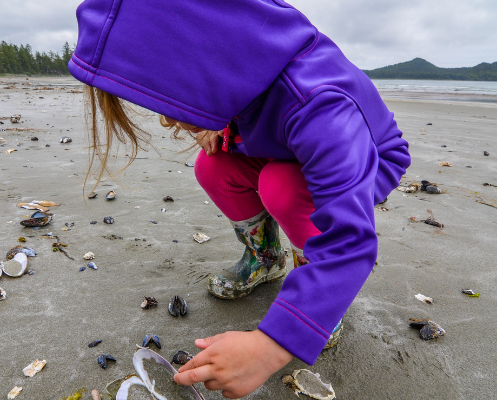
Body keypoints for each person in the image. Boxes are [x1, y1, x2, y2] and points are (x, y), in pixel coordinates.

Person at [69, 1, 410, 398]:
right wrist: (224, 125)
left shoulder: (321, 104)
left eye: (169, 99)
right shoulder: (238, 62)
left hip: (367, 158)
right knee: (213, 166)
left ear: (209, 65)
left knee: (281, 186)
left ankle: (316, 289)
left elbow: (351, 242)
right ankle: (265, 258)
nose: (166, 120)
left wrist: (271, 346)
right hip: (283, 144)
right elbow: (261, 112)